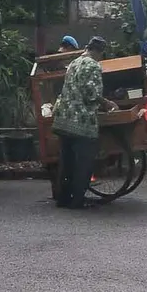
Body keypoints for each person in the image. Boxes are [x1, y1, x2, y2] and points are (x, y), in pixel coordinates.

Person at [50, 36, 116, 208]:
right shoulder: (93, 65)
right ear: (98, 52)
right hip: (81, 121)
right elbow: (91, 94)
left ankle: (63, 199)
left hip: (64, 118)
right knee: (84, 162)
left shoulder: (74, 63)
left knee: (67, 161)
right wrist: (107, 103)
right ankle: (77, 201)